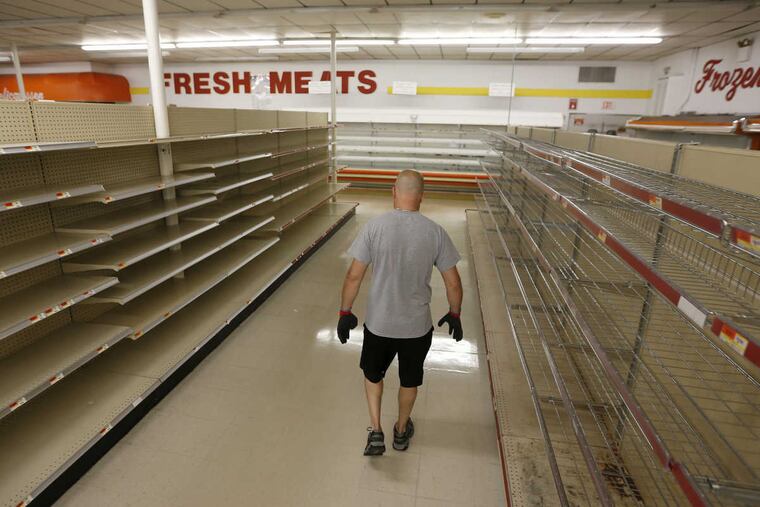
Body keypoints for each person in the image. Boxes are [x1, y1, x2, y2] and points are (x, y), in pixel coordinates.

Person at [336, 169, 464, 456]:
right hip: (416, 328)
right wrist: (454, 313)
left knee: (373, 376)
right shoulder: (435, 232)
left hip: (379, 325)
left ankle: (376, 431)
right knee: (410, 380)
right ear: (421, 196)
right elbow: (453, 282)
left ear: (393, 191)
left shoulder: (374, 227)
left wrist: (345, 312)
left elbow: (353, 277)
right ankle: (401, 431)